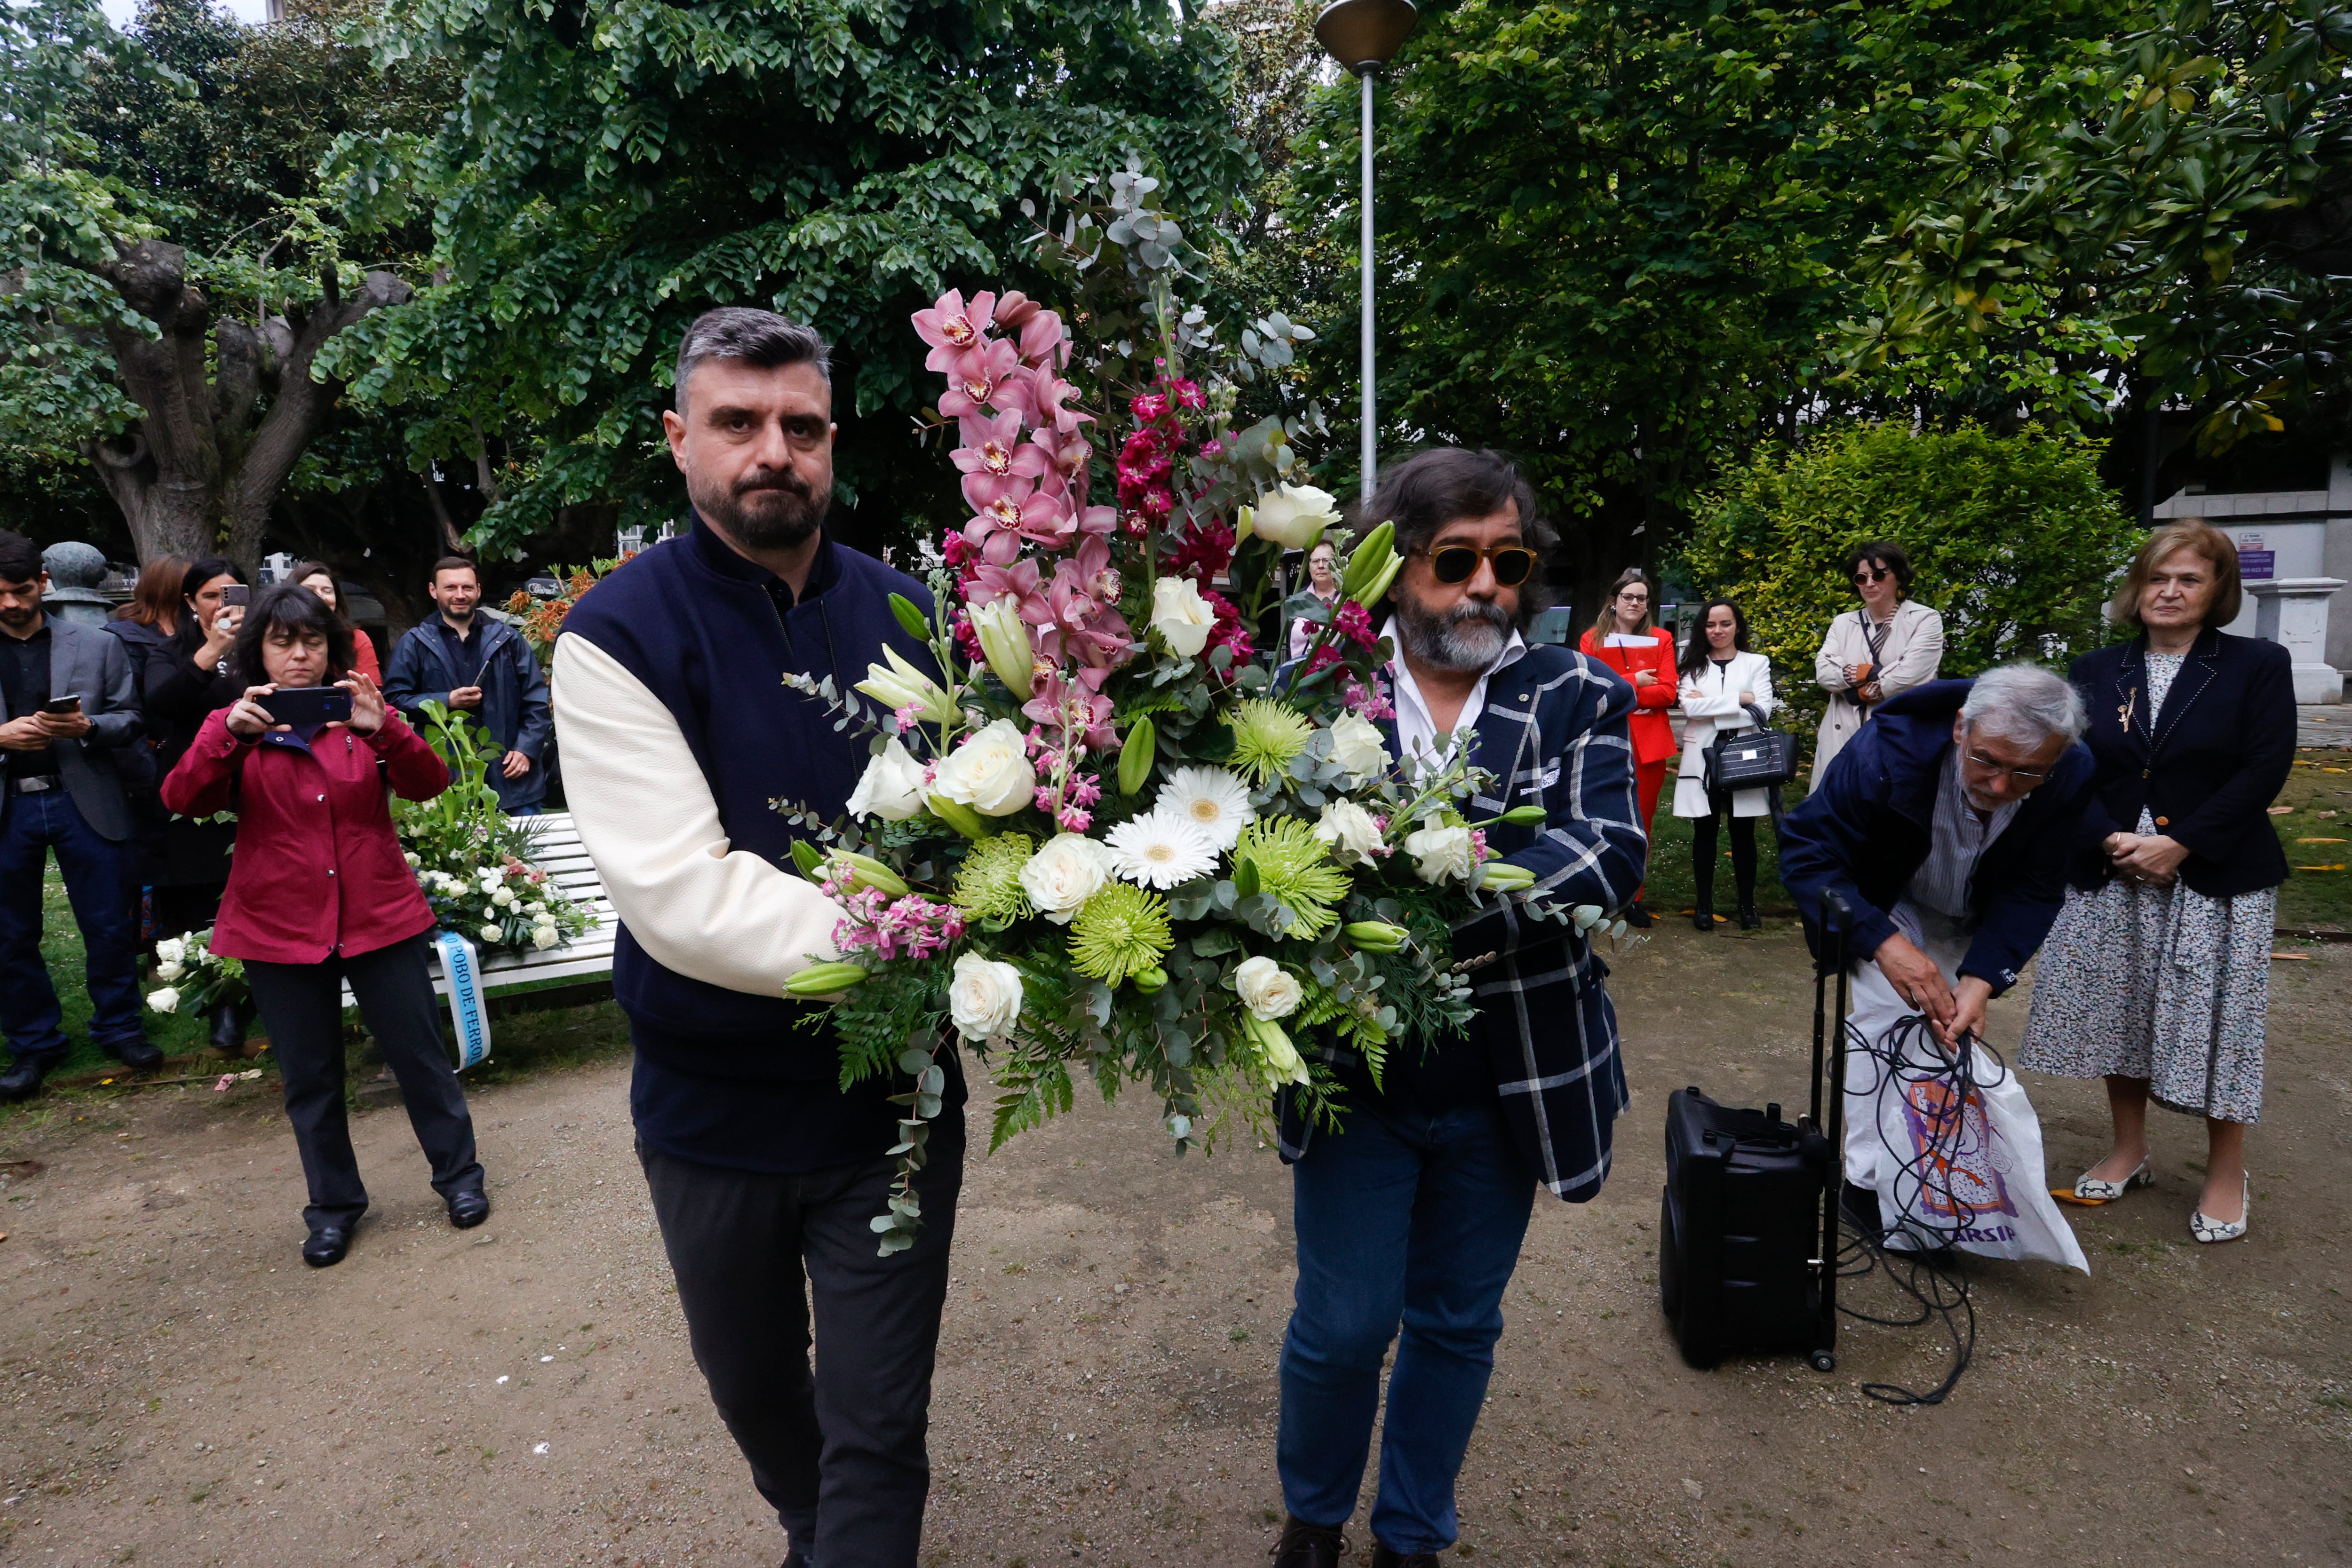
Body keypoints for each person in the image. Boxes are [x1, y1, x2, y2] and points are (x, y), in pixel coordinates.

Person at [551, 308, 964, 1568]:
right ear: (682, 441)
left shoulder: (912, 612)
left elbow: (976, 812)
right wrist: (938, 932)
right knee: (753, 1388)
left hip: (892, 1106)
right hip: (713, 1108)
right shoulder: (617, 631)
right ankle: (808, 1518)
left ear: (833, 441)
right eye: (738, 422)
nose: (771, 449)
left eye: (801, 425)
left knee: (879, 1420)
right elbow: (684, 894)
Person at [1269, 447, 1645, 1568]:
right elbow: (1259, 849)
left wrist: (1436, 868)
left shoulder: (1577, 690)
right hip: (1355, 1073)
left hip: (1512, 1077)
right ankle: (1313, 1515)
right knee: (1342, 1328)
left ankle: (1412, 1532)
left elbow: (1611, 851)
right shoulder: (1314, 686)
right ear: (1396, 569)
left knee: (1454, 1323)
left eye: (1507, 561)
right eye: (1455, 560)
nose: (1485, 585)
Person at [159, 582, 485, 1267]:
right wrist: (226, 735)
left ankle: (460, 1179)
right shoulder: (238, 724)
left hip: (378, 916)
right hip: (278, 926)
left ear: (332, 648)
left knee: (420, 1060)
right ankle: (333, 1208)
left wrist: (387, 729)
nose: (299, 656)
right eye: (283, 642)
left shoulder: (363, 717)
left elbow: (431, 784)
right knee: (310, 1077)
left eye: (311, 641)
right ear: (261, 653)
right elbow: (181, 797)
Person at [2018, 522, 2295, 1244]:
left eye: (2189, 579)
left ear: (2217, 592)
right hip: (2114, 867)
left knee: (2219, 1025)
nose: (2169, 591)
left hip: (2214, 874)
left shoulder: (2256, 664)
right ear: (2137, 588)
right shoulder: (2096, 667)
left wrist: (2183, 841)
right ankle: (2130, 1146)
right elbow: (2070, 764)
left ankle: (2226, 1168)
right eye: (2157, 578)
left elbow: (2265, 767)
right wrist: (2109, 835)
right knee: (2124, 1012)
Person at [1778, 665, 2093, 1221]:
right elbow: (1809, 854)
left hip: (1973, 906)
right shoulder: (1883, 752)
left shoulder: (2069, 772)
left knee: (1945, 1036)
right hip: (1885, 894)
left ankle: (1933, 1181)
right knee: (1886, 1024)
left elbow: (2035, 885)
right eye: (1986, 761)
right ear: (1958, 728)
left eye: (2024, 774)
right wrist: (1882, 941)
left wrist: (1984, 976)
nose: (1998, 787)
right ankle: (1867, 1188)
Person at [0, 531, 159, 1101]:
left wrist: (90, 727)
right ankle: (33, 1044)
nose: (11, 604)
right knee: (9, 934)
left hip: (84, 794)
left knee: (107, 922)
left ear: (43, 583)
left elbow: (131, 718)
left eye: (21, 591)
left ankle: (120, 1026)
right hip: (8, 805)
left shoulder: (95, 644)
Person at [140, 555, 257, 1054]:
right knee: (202, 905)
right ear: (190, 602)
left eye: (232, 595)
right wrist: (212, 649)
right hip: (197, 788)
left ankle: (271, 996)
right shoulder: (172, 651)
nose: (222, 605)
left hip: (255, 783)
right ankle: (223, 1008)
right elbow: (161, 703)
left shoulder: (264, 646)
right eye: (211, 596)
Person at [384, 557, 551, 815]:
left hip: (511, 778)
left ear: (479, 590)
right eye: (450, 588)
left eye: (467, 588)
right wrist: (446, 701)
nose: (460, 595)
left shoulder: (509, 640)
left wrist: (526, 749)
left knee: (529, 854)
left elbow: (537, 700)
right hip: (447, 780)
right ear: (433, 591)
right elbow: (394, 702)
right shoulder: (415, 643)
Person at [1577, 568, 1674, 926]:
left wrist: (1621, 690)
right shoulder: (1592, 640)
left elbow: (1668, 692)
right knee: (1599, 817)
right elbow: (1590, 690)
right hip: (1604, 739)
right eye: (1628, 597)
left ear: (1648, 605)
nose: (1635, 603)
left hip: (1648, 745)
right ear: (1614, 601)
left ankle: (1634, 897)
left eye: (1641, 598)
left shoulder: (1661, 639)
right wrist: (1635, 682)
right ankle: (1598, 889)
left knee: (1642, 822)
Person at [1673, 598, 1777, 931]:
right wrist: (1739, 700)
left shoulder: (1756, 663)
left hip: (1742, 758)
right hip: (1701, 759)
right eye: (1710, 624)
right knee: (1704, 832)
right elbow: (1689, 711)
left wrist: (1711, 706)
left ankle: (1748, 907)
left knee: (1743, 834)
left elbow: (1762, 711)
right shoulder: (1693, 666)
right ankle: (1704, 906)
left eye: (1725, 624)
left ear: (1738, 626)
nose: (1717, 631)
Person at [1811, 539, 1945, 784]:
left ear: (1899, 577)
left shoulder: (1925, 619)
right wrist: (1872, 673)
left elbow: (1910, 676)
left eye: (1879, 575)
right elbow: (1824, 673)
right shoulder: (1843, 623)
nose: (1870, 584)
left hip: (1898, 733)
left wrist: (1852, 683)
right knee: (1840, 812)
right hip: (1843, 736)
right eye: (1861, 578)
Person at [286, 561, 383, 683]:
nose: (320, 597)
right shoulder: (270, 635)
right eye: (310, 590)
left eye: (327, 591)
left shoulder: (356, 639)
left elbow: (372, 693)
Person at [1286, 539, 1343, 660]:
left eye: (1327, 561)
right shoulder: (1298, 598)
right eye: (1316, 561)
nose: (1321, 566)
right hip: (1300, 673)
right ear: (1309, 566)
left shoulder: (1345, 599)